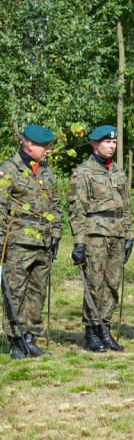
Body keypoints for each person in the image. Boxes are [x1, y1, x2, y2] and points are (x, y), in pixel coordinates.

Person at [68, 126, 133, 353]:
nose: (111, 146)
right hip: (94, 235)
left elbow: (126, 206)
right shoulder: (83, 171)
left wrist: (130, 233)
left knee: (113, 284)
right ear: (95, 144)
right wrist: (79, 242)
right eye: (107, 142)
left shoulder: (118, 171)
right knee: (94, 285)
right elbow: (77, 209)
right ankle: (91, 332)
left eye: (114, 143)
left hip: (117, 233)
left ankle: (105, 329)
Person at [0, 124, 61, 359]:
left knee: (37, 291)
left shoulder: (46, 170)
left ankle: (30, 338)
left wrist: (56, 234)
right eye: (45, 146)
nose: (48, 151)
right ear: (30, 145)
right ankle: (15, 340)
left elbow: (56, 204)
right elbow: (2, 207)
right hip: (17, 241)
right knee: (14, 292)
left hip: (43, 242)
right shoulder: (9, 169)